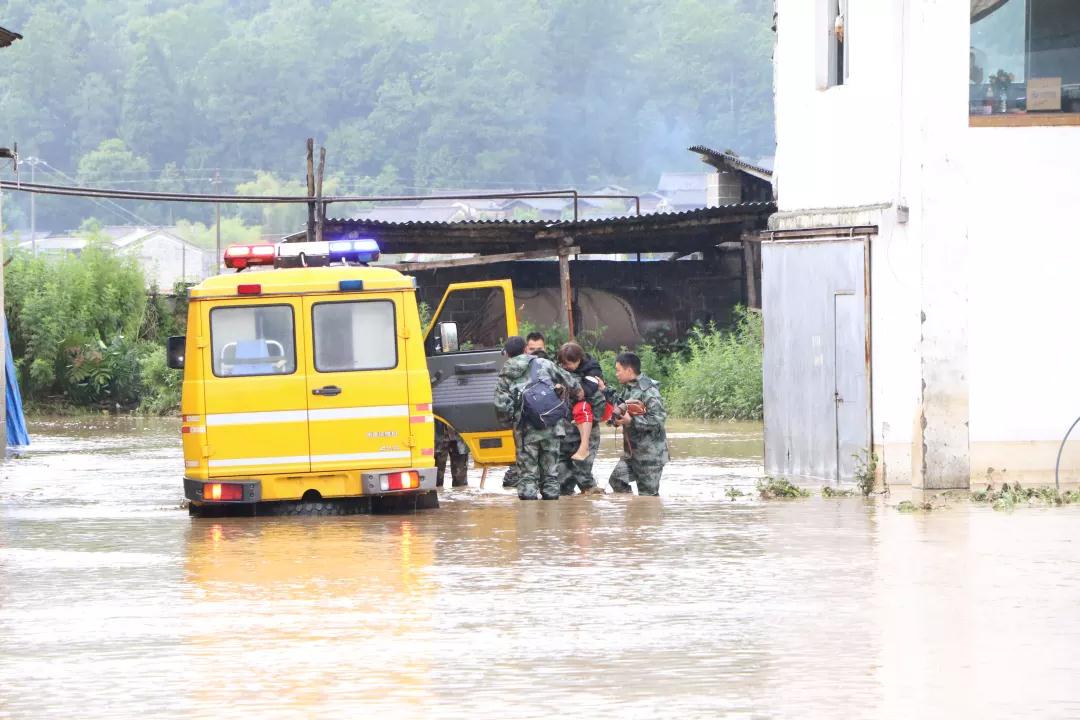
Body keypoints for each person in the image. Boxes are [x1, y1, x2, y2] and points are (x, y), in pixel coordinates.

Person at [494, 335, 578, 500]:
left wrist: (511, 423)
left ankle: (529, 519)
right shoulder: (544, 363)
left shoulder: (505, 375)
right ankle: (552, 520)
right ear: (526, 348)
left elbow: (501, 407)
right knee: (551, 476)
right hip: (551, 425)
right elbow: (571, 382)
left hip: (525, 432)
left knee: (527, 477)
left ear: (507, 354)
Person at [608, 351, 669, 496]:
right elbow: (623, 408)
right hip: (632, 454)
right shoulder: (629, 388)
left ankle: (644, 517)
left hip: (650, 455)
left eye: (618, 370)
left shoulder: (649, 390)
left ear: (629, 370)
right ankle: (632, 513)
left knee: (648, 497)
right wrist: (618, 420)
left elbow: (658, 419)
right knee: (616, 480)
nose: (617, 374)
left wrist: (632, 421)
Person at [556, 342, 609, 496]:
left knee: (582, 471)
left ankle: (593, 497)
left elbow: (587, 393)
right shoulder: (559, 371)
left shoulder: (592, 370)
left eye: (569, 364)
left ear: (579, 359)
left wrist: (574, 391)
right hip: (565, 431)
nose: (566, 367)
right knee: (562, 480)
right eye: (563, 364)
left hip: (586, 429)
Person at [503, 331, 549, 488]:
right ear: (525, 350)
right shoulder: (510, 372)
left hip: (549, 428)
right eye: (532, 349)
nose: (536, 352)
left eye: (540, 348)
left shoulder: (552, 366)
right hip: (527, 430)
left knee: (550, 477)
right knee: (520, 478)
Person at [434, 420, 469, 488]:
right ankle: (438, 496)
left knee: (460, 480)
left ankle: (460, 497)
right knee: (436, 478)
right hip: (438, 436)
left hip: (460, 437)